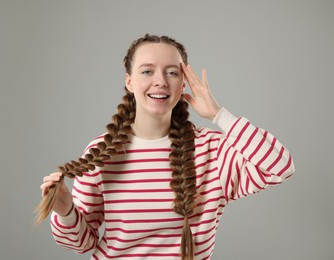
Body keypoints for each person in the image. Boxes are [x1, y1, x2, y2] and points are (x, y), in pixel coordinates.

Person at [36, 34, 295, 260]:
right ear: (129, 81)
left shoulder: (212, 150)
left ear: (183, 84)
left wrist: (218, 115)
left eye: (171, 72)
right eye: (147, 71)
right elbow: (82, 244)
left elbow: (280, 167)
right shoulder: (102, 151)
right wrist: (66, 210)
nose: (160, 81)